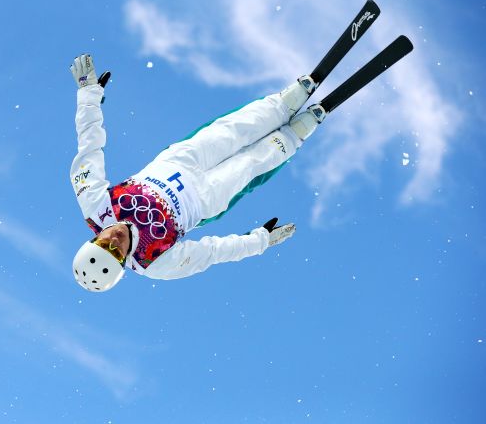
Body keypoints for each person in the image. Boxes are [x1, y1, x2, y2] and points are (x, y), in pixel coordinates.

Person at [69, 54, 323, 292]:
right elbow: (212, 252)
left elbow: (90, 148)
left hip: (180, 161)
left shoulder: (94, 205)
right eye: (115, 252)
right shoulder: (153, 264)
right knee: (250, 165)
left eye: (104, 244)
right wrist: (259, 242)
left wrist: (88, 96)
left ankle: (287, 102)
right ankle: (295, 132)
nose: (114, 239)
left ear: (93, 240)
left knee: (232, 131)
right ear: (123, 262)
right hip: (204, 199)